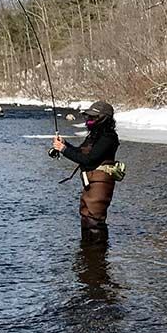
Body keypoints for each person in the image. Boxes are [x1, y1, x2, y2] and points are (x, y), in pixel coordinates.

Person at [51, 101, 122, 241]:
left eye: (93, 117)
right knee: (86, 216)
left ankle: (97, 251)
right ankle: (89, 251)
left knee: (94, 220)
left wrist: (63, 150)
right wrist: (65, 144)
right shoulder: (94, 136)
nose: (89, 120)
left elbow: (89, 160)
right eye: (89, 116)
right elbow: (81, 153)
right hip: (91, 182)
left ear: (103, 118)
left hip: (101, 183)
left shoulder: (108, 137)